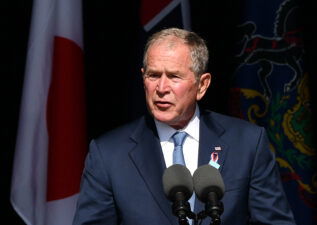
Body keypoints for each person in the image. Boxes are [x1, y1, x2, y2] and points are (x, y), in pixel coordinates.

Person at [73, 28, 296, 225]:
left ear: (202, 85)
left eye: (174, 76)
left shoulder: (247, 143)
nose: (161, 87)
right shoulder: (109, 154)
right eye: (153, 75)